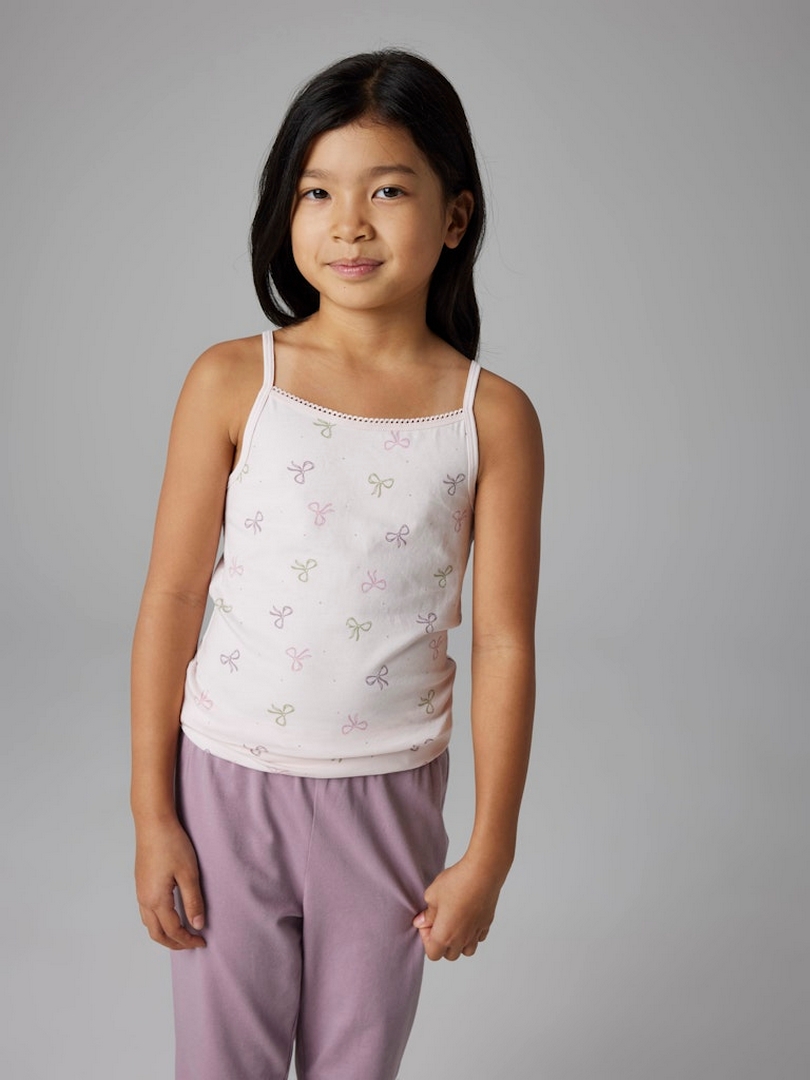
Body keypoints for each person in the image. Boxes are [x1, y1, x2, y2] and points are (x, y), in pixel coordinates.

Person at [131, 48, 544, 1080]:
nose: (349, 224)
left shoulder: (491, 417)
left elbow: (503, 644)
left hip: (387, 803)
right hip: (227, 788)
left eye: (388, 191)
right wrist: (153, 813)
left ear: (456, 216)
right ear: (287, 208)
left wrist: (489, 851)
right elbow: (172, 597)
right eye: (317, 192)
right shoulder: (234, 380)